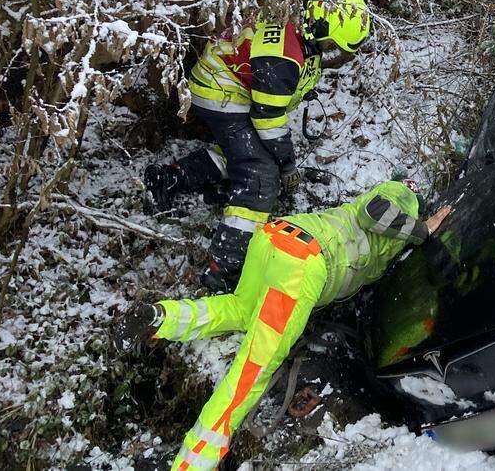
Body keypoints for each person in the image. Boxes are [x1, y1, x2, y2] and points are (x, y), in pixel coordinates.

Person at [114, 180, 452, 471]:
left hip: (275, 240)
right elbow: (375, 211)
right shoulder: (401, 195)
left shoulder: (383, 239)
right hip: (302, 264)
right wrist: (424, 228)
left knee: (240, 308)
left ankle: (161, 318)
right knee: (253, 369)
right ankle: (194, 462)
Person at [144, 0, 372, 291]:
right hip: (220, 89)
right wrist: (287, 165)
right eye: (331, 42)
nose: (330, 49)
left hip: (228, 81)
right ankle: (224, 266)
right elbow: (268, 119)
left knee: (241, 150)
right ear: (320, 24)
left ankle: (172, 177)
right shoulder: (282, 54)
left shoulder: (297, 27)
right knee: (260, 175)